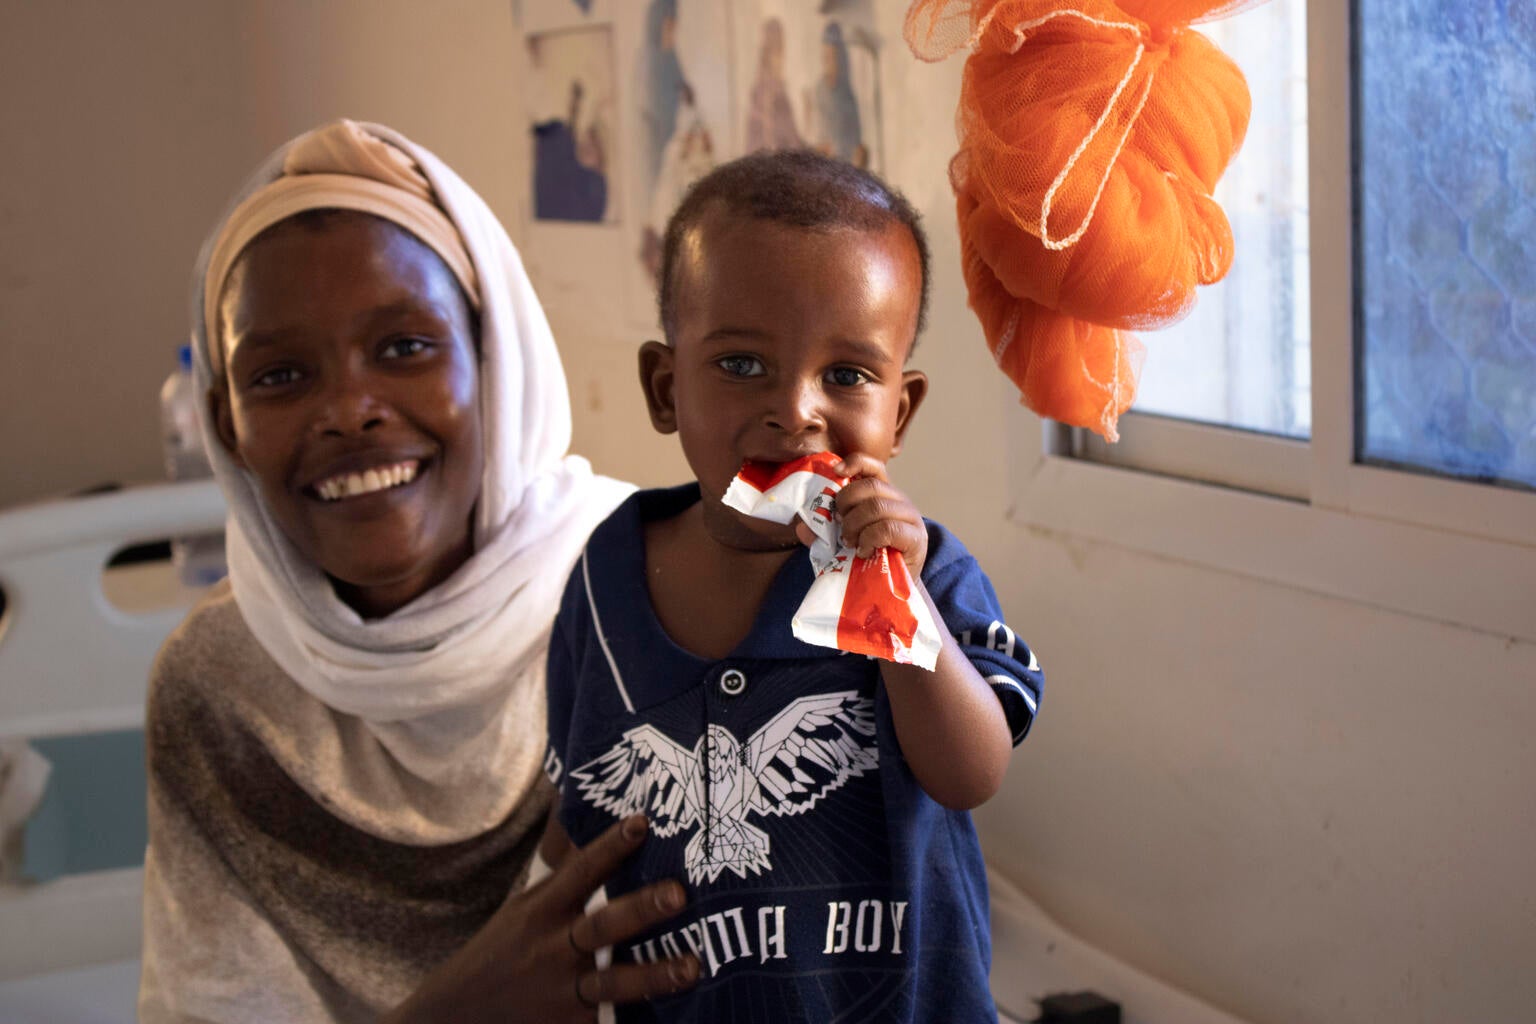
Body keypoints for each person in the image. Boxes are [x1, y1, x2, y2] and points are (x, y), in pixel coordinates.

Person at [140, 119, 699, 1022]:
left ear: (496, 361)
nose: (350, 412)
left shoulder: (653, 592)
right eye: (280, 375)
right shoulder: (223, 686)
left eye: (405, 348)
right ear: (225, 421)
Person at [541, 149, 1044, 1021]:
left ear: (900, 412)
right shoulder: (605, 575)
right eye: (742, 365)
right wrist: (545, 943)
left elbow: (971, 774)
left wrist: (897, 600)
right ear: (666, 389)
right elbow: (577, 804)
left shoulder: (928, 576)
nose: (797, 410)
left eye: (847, 376)